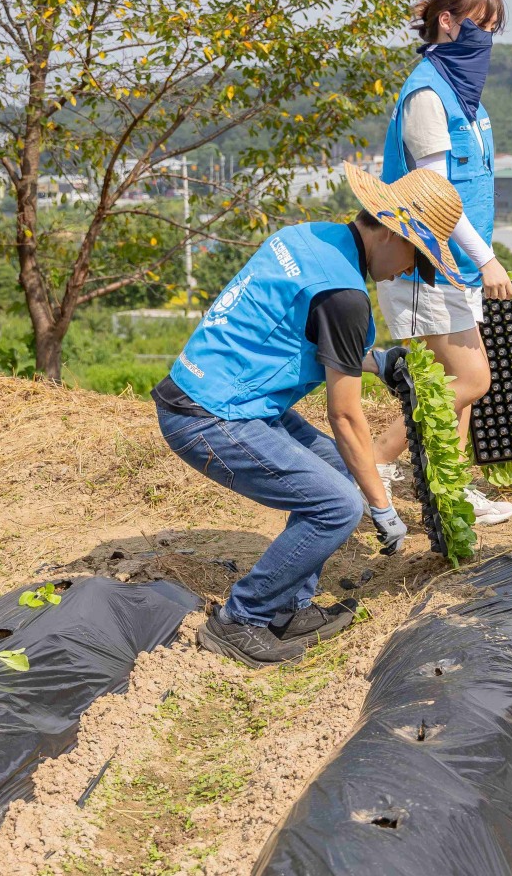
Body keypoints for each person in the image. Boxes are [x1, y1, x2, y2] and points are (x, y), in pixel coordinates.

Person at [153, 164, 469, 668]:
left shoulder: (308, 239)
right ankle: (241, 619)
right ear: (392, 233)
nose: (407, 273)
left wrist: (377, 361)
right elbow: (345, 416)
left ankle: (291, 608)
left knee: (338, 472)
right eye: (416, 257)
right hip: (210, 417)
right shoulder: (345, 296)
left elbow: (306, 332)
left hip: (225, 394)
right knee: (341, 505)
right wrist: (381, 505)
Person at [372, 0, 512, 527]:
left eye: (492, 31)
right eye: (478, 27)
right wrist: (486, 258)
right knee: (470, 379)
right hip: (424, 265)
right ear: (446, 21)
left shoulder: (463, 96)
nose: (485, 40)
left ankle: (451, 488)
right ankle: (374, 462)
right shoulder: (428, 95)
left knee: (454, 383)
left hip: (454, 267)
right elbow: (434, 195)